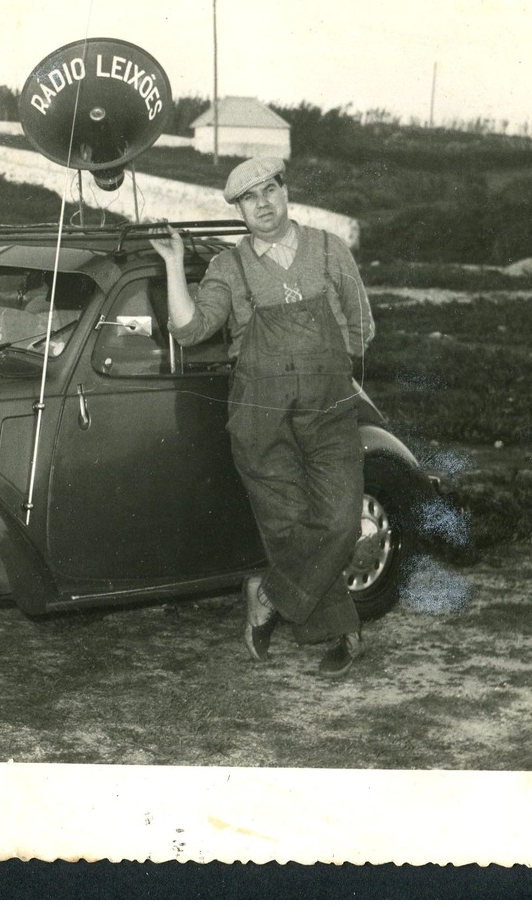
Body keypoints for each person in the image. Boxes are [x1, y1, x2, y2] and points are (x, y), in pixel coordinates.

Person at [150, 155, 375, 677]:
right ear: (239, 209)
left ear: (284, 191)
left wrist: (333, 370)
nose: (263, 205)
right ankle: (344, 633)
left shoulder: (328, 250)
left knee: (341, 520)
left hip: (329, 411)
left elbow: (362, 327)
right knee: (290, 528)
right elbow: (190, 329)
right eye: (249, 199)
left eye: (269, 190)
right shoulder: (229, 267)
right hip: (260, 417)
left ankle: (269, 596)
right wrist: (171, 264)